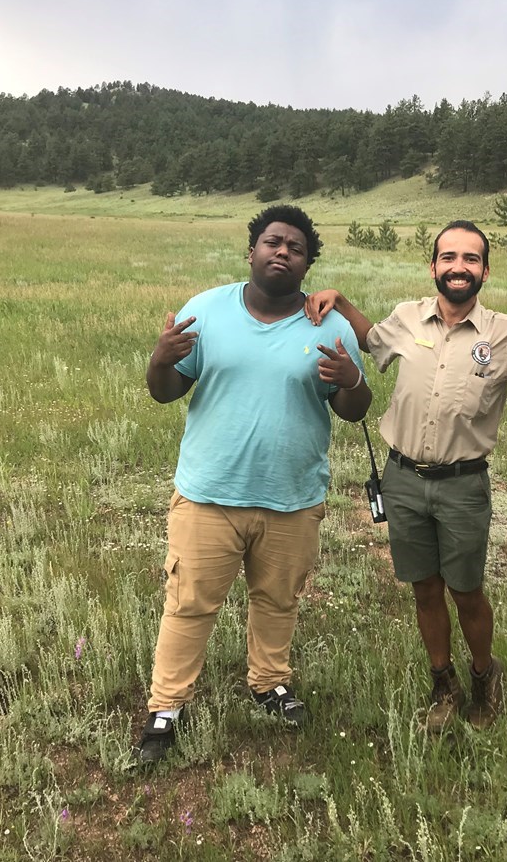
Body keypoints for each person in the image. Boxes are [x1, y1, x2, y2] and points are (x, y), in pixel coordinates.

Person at [305, 221, 507, 731]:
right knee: (424, 588)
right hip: (402, 478)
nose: (458, 268)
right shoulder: (408, 317)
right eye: (448, 258)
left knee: (466, 591)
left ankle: (483, 676)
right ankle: (442, 683)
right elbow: (371, 339)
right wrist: (338, 300)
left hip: (463, 485)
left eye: (470, 259)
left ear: (485, 270)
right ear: (434, 267)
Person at [135, 205, 372, 765]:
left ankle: (270, 684)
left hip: (293, 497)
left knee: (277, 599)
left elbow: (353, 411)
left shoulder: (330, 326)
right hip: (210, 494)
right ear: (252, 251)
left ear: (308, 262)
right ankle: (166, 707)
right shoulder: (206, 312)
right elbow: (165, 392)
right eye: (272, 241)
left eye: (295, 246)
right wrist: (160, 359)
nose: (282, 251)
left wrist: (353, 380)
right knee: (189, 603)